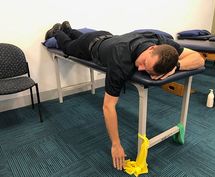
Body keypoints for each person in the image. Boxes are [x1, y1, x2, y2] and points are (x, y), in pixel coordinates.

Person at [45, 21, 205, 170]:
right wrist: (116, 144)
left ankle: (69, 29)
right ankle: (58, 31)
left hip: (106, 36)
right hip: (89, 47)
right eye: (144, 63)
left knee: (80, 36)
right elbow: (108, 106)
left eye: (148, 71)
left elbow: (199, 58)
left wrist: (177, 66)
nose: (141, 69)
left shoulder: (161, 42)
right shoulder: (120, 60)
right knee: (67, 46)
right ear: (151, 49)